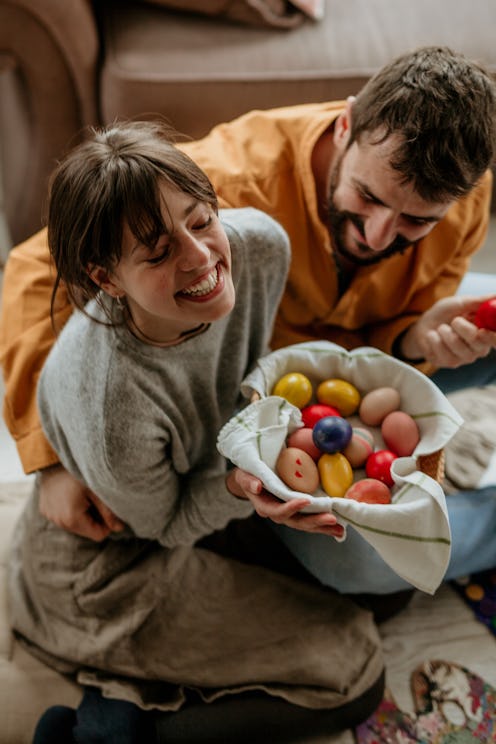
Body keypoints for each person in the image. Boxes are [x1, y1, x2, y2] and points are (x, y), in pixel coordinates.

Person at [2, 46, 496, 588]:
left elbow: (387, 340)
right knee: (364, 563)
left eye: (414, 221)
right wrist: (48, 458)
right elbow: (30, 268)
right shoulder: (226, 193)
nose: (376, 235)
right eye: (367, 196)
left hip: (363, 359)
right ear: (345, 125)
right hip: (254, 402)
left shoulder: (462, 199)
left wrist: (416, 335)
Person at [7, 121, 385, 743]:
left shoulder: (260, 246)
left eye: (202, 219)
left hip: (193, 484)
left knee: (375, 585)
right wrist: (241, 485)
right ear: (106, 278)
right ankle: (108, 728)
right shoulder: (112, 399)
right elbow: (167, 525)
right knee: (354, 671)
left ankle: (150, 679)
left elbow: (242, 375)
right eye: (157, 253)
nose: (201, 257)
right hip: (111, 561)